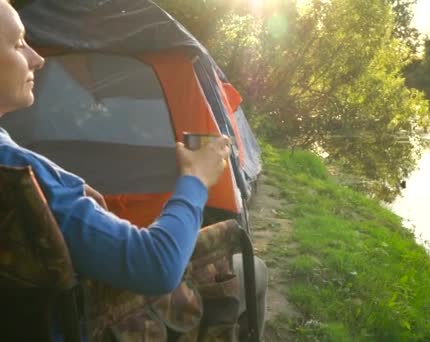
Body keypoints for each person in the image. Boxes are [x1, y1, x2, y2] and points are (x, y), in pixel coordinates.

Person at [0, 0, 266, 339]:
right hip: (84, 320)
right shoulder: (25, 177)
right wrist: (195, 180)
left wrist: (68, 183)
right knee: (254, 272)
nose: (37, 59)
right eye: (19, 44)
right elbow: (156, 264)